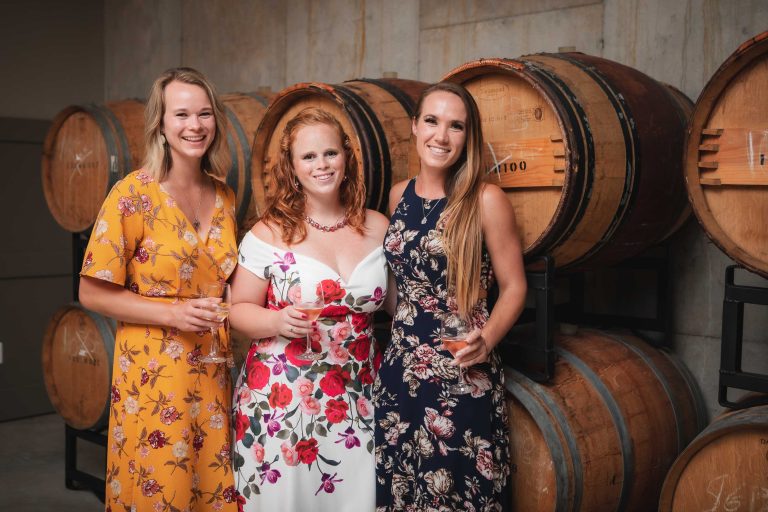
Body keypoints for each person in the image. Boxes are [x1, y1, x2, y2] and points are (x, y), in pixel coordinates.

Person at [78, 67, 240, 511]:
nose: (195, 125)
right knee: (160, 488)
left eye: (204, 114)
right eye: (182, 114)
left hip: (210, 367)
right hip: (153, 374)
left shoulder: (225, 196)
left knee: (209, 485)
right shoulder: (132, 194)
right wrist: (172, 313)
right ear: (161, 124)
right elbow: (91, 294)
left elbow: (224, 279)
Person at [374, 81, 527, 511]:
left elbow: (515, 286)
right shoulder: (397, 196)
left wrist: (488, 338)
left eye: (455, 126)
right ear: (414, 126)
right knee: (402, 491)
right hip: (400, 372)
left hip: (460, 374)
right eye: (432, 121)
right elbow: (402, 287)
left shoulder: (485, 200)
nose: (441, 136)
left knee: (459, 496)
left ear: (468, 137)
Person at [229, 107, 389, 511]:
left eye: (330, 153)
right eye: (309, 156)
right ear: (292, 167)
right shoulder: (268, 232)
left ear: (347, 157)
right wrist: (275, 320)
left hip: (361, 392)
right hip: (285, 399)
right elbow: (237, 309)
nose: (322, 165)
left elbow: (399, 304)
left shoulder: (378, 226)